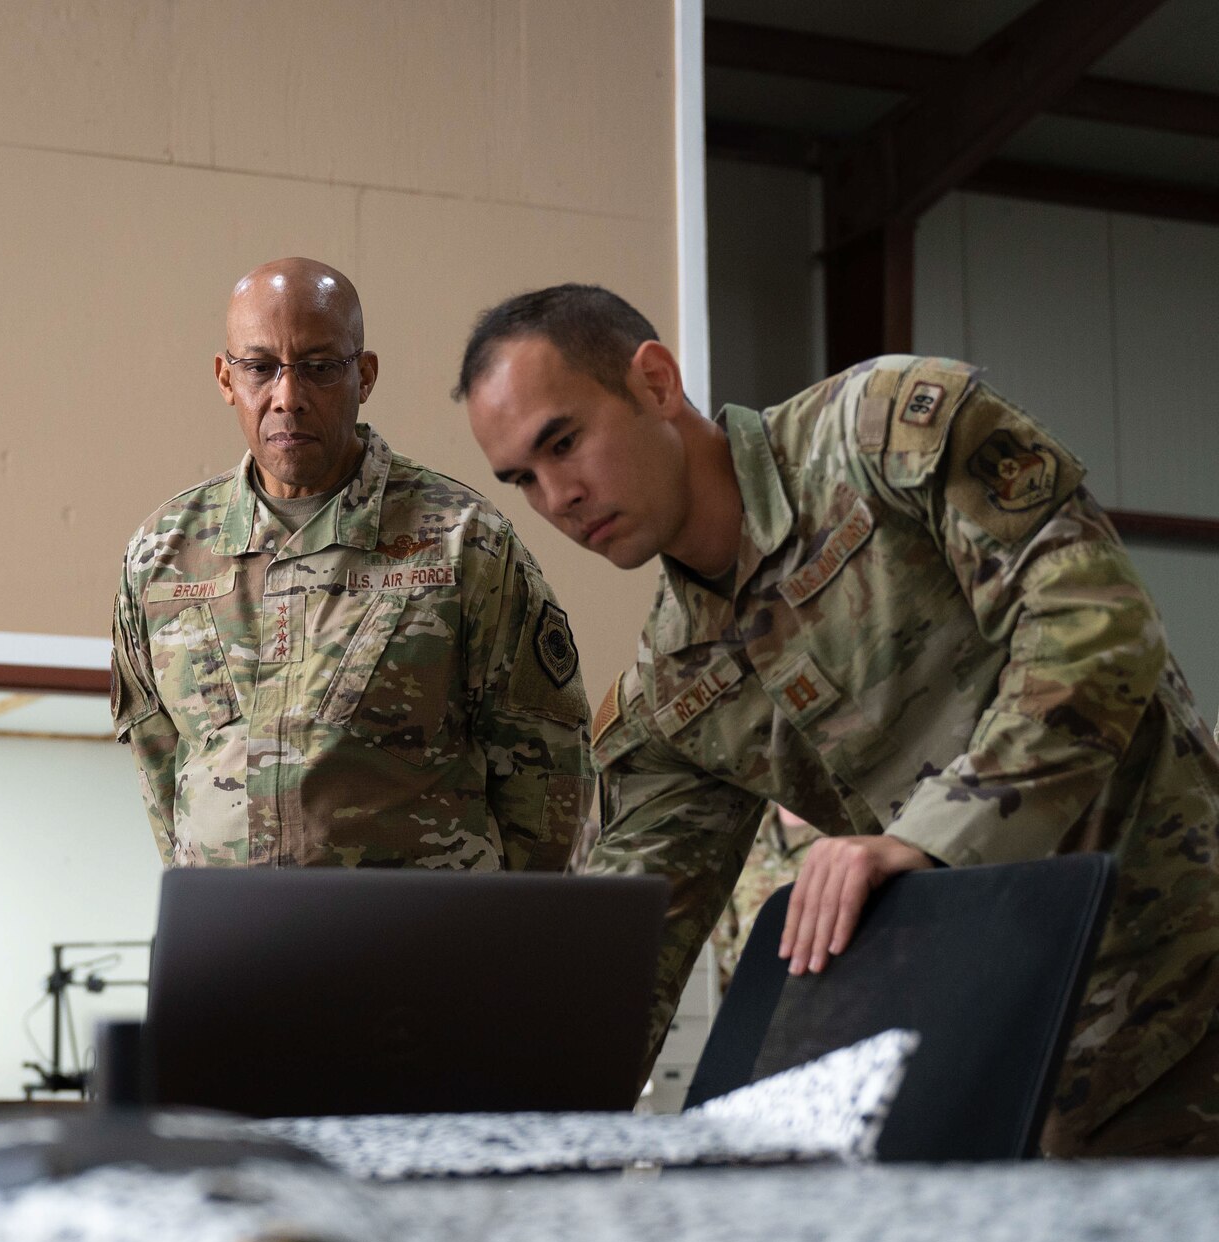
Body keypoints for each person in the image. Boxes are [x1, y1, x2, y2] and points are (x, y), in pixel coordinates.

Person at [457, 283, 1219, 1156]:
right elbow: (618, 960)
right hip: (1017, 1081)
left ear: (657, 381)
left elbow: (1098, 634)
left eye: (564, 442)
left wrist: (930, 839)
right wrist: (494, 1125)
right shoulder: (668, 694)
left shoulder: (886, 436)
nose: (557, 497)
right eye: (523, 478)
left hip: (1191, 983)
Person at [111, 258, 592, 870]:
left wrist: (497, 948)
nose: (288, 397)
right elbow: (161, 769)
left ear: (364, 375)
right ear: (225, 378)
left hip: (416, 949)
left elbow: (547, 779)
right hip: (238, 949)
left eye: (319, 368)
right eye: (260, 368)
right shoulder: (162, 555)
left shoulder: (462, 543)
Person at [711, 806, 820, 993]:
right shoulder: (739, 832)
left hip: (831, 1000)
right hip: (755, 998)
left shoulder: (854, 832)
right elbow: (723, 938)